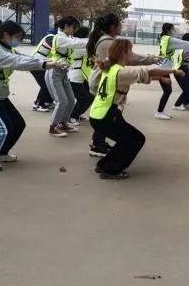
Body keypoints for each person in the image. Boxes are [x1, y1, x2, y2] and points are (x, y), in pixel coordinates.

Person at [0, 21, 66, 172]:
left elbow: (26, 58)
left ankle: (0, 153)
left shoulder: (6, 49)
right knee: (2, 129)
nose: (18, 41)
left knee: (18, 124)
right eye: (17, 37)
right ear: (6, 35)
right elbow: (18, 62)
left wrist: (51, 62)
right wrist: (48, 65)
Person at [89, 39, 181, 179]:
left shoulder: (111, 67)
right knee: (136, 139)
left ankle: (104, 166)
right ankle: (110, 170)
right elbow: (149, 71)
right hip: (106, 116)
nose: (132, 53)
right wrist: (174, 71)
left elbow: (139, 77)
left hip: (100, 114)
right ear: (123, 53)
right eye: (130, 50)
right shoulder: (121, 71)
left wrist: (160, 79)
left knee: (127, 139)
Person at [87, 14, 161, 154]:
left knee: (109, 114)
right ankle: (98, 145)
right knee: (108, 115)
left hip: (102, 81)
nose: (122, 27)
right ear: (113, 27)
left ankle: (98, 143)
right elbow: (131, 58)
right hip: (103, 82)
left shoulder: (106, 40)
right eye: (120, 24)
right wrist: (151, 59)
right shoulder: (107, 42)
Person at [44, 16, 89, 137]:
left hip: (63, 73)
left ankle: (63, 123)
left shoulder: (66, 37)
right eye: (74, 27)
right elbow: (75, 43)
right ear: (67, 26)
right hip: (55, 72)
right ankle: (53, 127)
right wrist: (93, 40)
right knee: (62, 101)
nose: (74, 30)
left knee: (70, 99)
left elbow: (76, 42)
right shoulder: (60, 38)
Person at [155, 23, 189, 118]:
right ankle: (159, 112)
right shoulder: (170, 40)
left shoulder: (164, 38)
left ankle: (160, 112)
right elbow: (184, 43)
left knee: (167, 91)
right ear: (169, 30)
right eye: (173, 29)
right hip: (163, 69)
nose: (175, 30)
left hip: (162, 68)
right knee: (167, 91)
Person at [68, 26, 93, 125]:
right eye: (89, 33)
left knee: (90, 96)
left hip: (83, 76)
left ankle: (76, 114)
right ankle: (72, 116)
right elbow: (91, 50)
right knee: (84, 98)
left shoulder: (80, 42)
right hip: (75, 77)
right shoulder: (76, 44)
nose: (90, 35)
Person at [31, 31, 56, 112]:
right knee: (45, 85)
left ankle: (47, 101)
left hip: (43, 64)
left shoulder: (54, 38)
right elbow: (56, 49)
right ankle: (38, 104)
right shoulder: (51, 37)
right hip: (37, 64)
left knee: (50, 83)